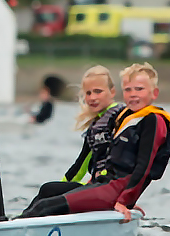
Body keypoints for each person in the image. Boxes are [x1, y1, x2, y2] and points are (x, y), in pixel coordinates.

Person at [16, 63, 170, 222]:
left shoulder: (150, 119)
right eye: (128, 90)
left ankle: (12, 228)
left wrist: (125, 201)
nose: (133, 94)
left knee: (45, 206)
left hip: (113, 190)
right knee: (48, 191)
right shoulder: (126, 119)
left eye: (139, 89)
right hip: (103, 186)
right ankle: (10, 224)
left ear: (154, 93)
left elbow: (144, 167)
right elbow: (85, 163)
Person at [25, 67, 126, 210]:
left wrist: (126, 198)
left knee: (45, 206)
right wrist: (62, 186)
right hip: (96, 187)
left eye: (98, 91)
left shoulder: (120, 117)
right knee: (48, 190)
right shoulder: (96, 124)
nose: (92, 97)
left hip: (110, 190)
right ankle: (16, 222)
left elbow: (130, 159)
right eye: (88, 93)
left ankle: (21, 224)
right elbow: (80, 166)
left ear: (112, 92)